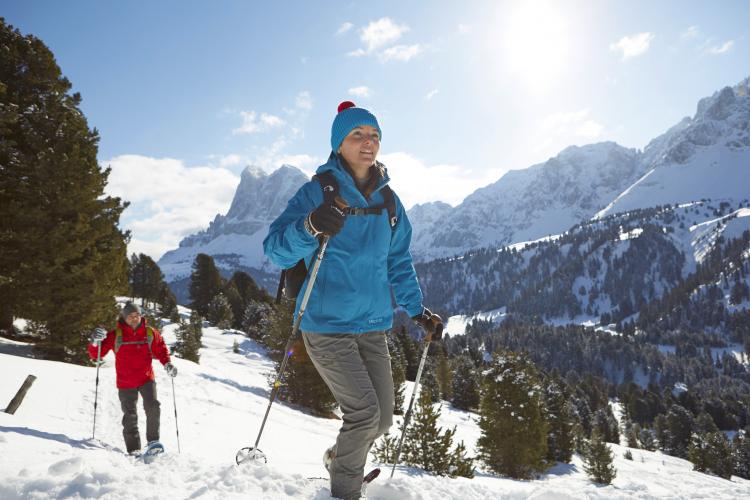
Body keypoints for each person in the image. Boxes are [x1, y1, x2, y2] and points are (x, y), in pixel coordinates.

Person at [263, 101, 443, 499]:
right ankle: (344, 492)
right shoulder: (316, 192)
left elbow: (398, 260)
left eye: (374, 135)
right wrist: (309, 225)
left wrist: (416, 311)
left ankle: (337, 459)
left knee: (380, 422)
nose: (368, 143)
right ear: (338, 144)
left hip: (372, 325)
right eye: (357, 135)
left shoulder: (390, 202)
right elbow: (276, 250)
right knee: (363, 417)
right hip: (326, 325)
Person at [88, 301, 177, 454]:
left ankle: (153, 442)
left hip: (146, 378)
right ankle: (134, 449)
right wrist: (94, 342)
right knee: (130, 415)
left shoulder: (150, 332)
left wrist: (167, 363)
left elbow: (161, 349)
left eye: (137, 315)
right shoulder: (116, 335)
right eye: (130, 316)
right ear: (124, 317)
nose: (134, 318)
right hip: (125, 382)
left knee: (153, 407)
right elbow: (96, 354)